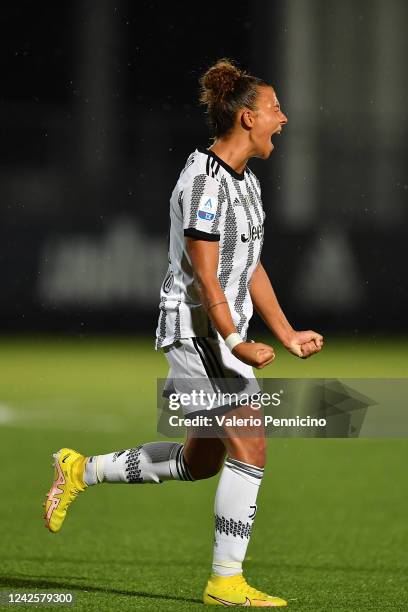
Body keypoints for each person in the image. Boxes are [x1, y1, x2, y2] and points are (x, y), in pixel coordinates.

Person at [44, 59, 323, 607]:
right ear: (247, 118)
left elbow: (250, 266)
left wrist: (285, 332)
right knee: (253, 442)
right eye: (274, 109)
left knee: (202, 461)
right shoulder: (205, 181)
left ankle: (81, 468)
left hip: (220, 333)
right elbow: (202, 267)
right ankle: (225, 580)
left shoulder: (247, 184)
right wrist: (233, 338)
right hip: (198, 331)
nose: (283, 119)